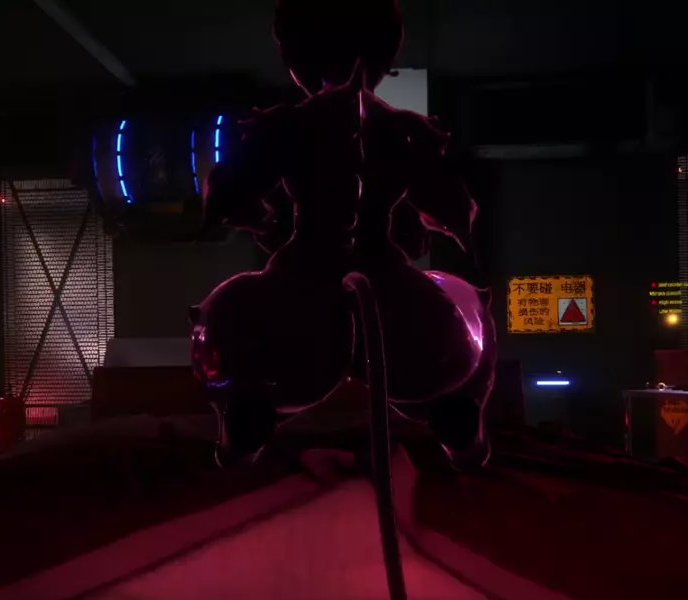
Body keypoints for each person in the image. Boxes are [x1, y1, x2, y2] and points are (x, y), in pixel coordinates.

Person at [190, 0, 494, 470]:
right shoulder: (403, 130)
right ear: (385, 54)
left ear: (294, 56)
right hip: (387, 282)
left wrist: (264, 222)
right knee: (465, 320)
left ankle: (240, 435)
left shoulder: (288, 126)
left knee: (220, 329)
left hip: (302, 280)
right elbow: (453, 210)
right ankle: (462, 432)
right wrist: (421, 227)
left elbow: (227, 197)